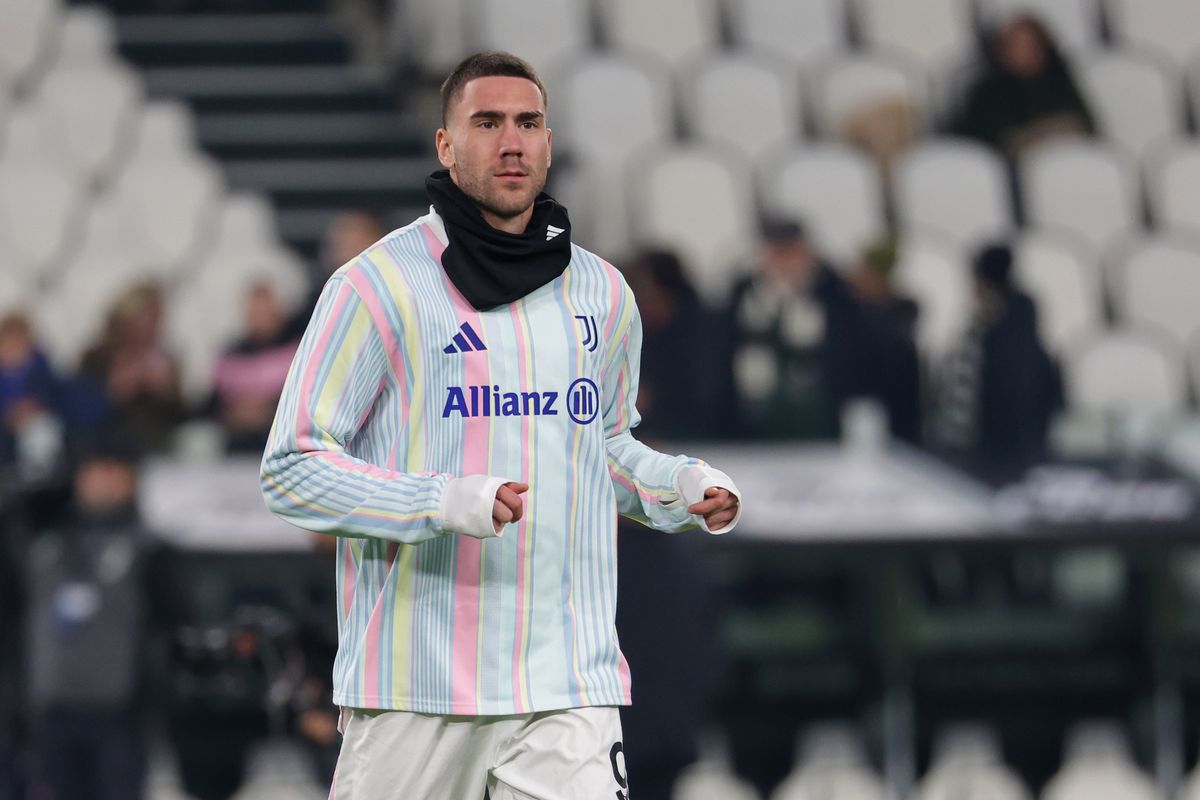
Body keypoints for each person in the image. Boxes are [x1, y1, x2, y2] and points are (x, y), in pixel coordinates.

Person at [260, 51, 742, 800]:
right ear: (447, 145)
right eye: (487, 123)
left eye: (528, 123)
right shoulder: (375, 286)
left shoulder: (602, 292)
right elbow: (291, 469)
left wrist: (678, 485)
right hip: (415, 688)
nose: (511, 141)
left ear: (549, 143)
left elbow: (603, 447)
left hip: (566, 685)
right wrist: (443, 502)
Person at [727, 218, 861, 440]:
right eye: (775, 253)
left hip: (819, 422)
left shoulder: (834, 296)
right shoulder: (742, 296)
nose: (783, 262)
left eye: (789, 252)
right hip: (754, 423)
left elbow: (850, 354)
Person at [932, 243, 1062, 468]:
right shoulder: (1025, 328)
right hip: (1021, 448)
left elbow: (962, 392)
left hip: (986, 452)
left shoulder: (983, 330)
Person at [951, 13, 1095, 158]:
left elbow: (1083, 127)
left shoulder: (1061, 83)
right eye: (1015, 45)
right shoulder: (987, 92)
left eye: (1030, 44)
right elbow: (983, 140)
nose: (1023, 52)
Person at [209, 281, 300, 453]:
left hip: (282, 444)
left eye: (264, 311)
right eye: (254, 312)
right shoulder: (231, 356)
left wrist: (268, 408)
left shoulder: (298, 350)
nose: (259, 319)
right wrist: (233, 411)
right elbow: (211, 405)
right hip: (234, 445)